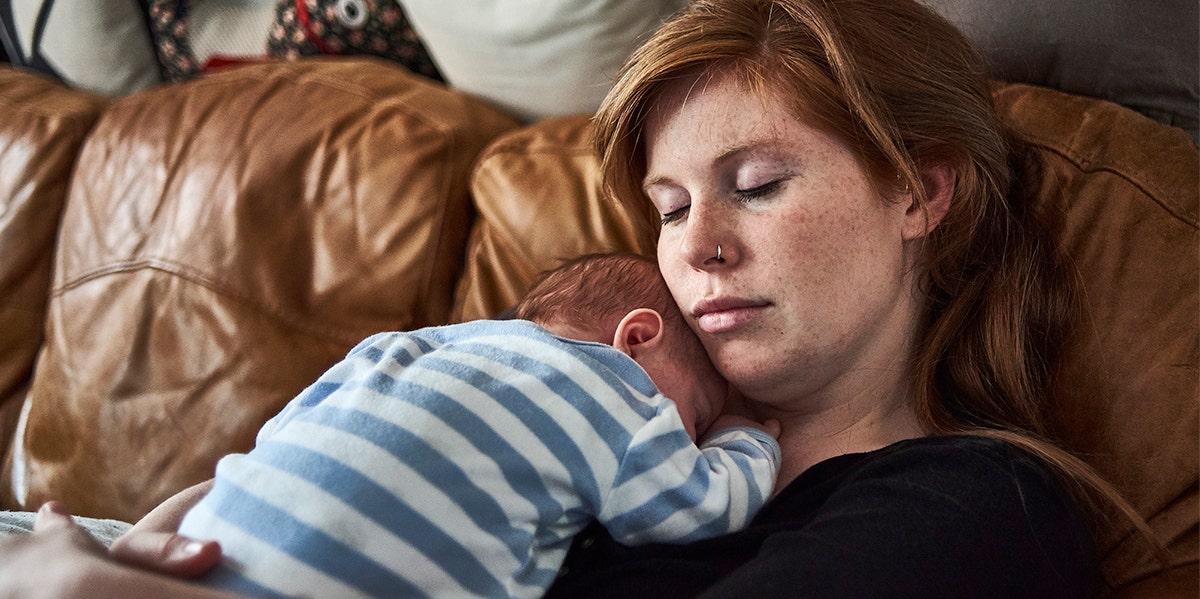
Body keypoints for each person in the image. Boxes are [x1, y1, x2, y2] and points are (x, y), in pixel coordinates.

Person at [0, 0, 1159, 597]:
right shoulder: (574, 414)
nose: (694, 246)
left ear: (918, 189)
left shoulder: (974, 510)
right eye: (664, 206)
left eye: (756, 184)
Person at [157, 252, 780, 599]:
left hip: (196, 559)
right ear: (637, 338)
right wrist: (742, 433)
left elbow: (276, 439)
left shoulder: (401, 347)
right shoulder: (618, 392)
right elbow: (700, 506)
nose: (689, 437)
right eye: (693, 415)